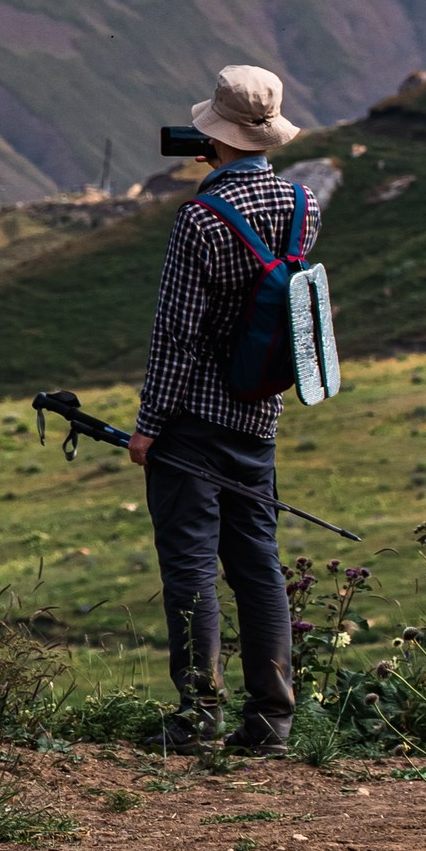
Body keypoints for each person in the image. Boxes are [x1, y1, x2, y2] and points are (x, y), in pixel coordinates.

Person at [128, 62, 308, 755]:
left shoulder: (201, 219)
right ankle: (272, 722)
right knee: (258, 563)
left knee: (191, 566)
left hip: (193, 422)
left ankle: (198, 716)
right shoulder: (301, 206)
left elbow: (176, 333)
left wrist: (149, 426)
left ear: (213, 138)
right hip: (259, 413)